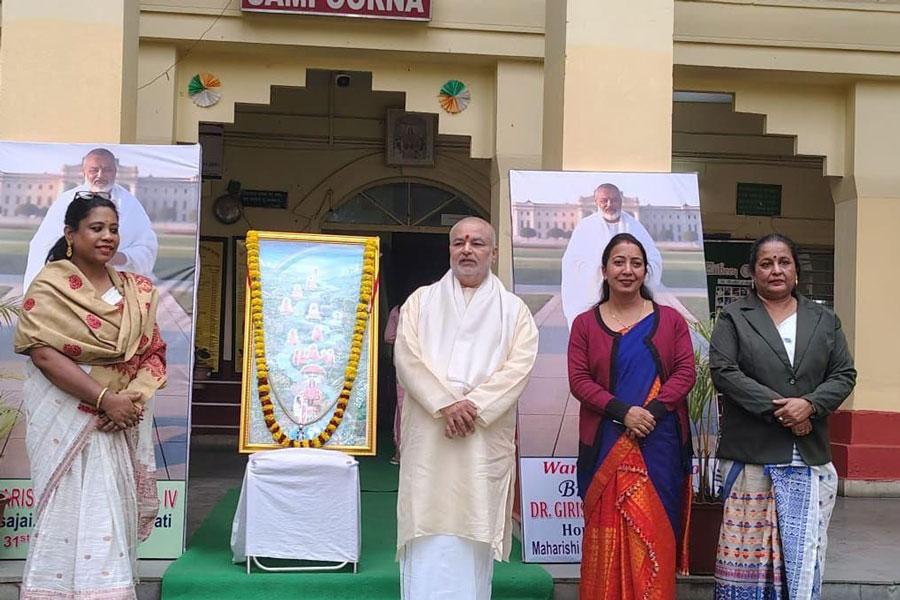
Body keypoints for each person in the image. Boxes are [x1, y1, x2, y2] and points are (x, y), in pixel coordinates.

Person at [14, 192, 166, 600]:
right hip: (69, 418)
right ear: (70, 234)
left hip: (118, 421)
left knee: (108, 514)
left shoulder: (135, 290)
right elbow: (44, 354)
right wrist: (104, 399)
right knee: (67, 512)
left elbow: (152, 351)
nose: (108, 237)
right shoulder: (50, 286)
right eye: (96, 228)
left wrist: (128, 401)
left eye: (114, 229)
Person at [393, 216, 538, 599]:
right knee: (426, 525)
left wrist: (473, 406)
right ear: (450, 250)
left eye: (476, 243)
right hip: (431, 433)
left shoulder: (514, 311)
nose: (467, 249)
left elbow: (519, 367)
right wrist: (445, 404)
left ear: (493, 252)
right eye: (459, 242)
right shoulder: (420, 302)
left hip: (481, 436)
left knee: (475, 525)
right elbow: (406, 359)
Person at [710, 233, 856, 599]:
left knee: (802, 557)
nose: (776, 270)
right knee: (747, 563)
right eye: (766, 263)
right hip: (751, 456)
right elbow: (724, 372)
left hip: (807, 455)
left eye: (783, 262)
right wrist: (786, 410)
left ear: (795, 270)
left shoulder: (824, 319)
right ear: (752, 272)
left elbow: (844, 375)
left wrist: (810, 405)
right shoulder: (734, 317)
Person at [568, 232, 695, 599]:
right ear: (604, 271)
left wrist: (650, 413)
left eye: (636, 263)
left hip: (661, 443)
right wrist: (625, 413)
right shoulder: (585, 325)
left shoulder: (670, 321)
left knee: (656, 535)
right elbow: (579, 381)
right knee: (604, 536)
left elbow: (685, 373)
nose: (627, 270)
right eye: (618, 262)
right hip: (606, 440)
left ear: (645, 270)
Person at [23, 147, 158, 291]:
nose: (100, 175)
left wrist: (121, 257)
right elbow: (43, 246)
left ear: (115, 172)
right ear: (84, 172)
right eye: (94, 170)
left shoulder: (131, 204)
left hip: (116, 289)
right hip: (71, 287)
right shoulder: (65, 201)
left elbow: (147, 248)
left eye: (107, 170)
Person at [561, 183, 662, 329]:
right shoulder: (585, 227)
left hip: (629, 300)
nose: (610, 204)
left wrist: (632, 269)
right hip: (592, 300)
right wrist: (599, 270)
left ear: (621, 201)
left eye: (614, 200)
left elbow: (654, 260)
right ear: (596, 202)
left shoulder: (635, 226)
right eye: (604, 200)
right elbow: (571, 264)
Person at [382, 304, 405, 464]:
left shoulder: (398, 310)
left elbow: (388, 336)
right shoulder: (431, 303)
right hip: (429, 364)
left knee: (403, 407)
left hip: (404, 364)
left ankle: (400, 452)